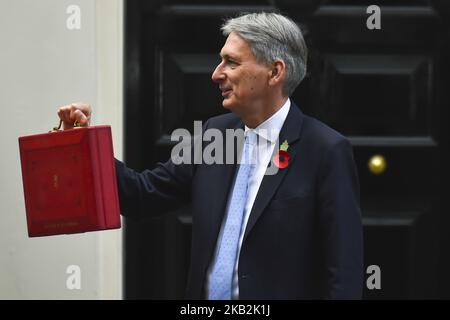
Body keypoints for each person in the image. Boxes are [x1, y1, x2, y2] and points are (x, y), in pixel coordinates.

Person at [58, 12, 363, 299]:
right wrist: (84, 144)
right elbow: (142, 195)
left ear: (274, 71)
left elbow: (343, 273)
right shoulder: (213, 135)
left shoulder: (325, 150)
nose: (217, 74)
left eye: (231, 62)